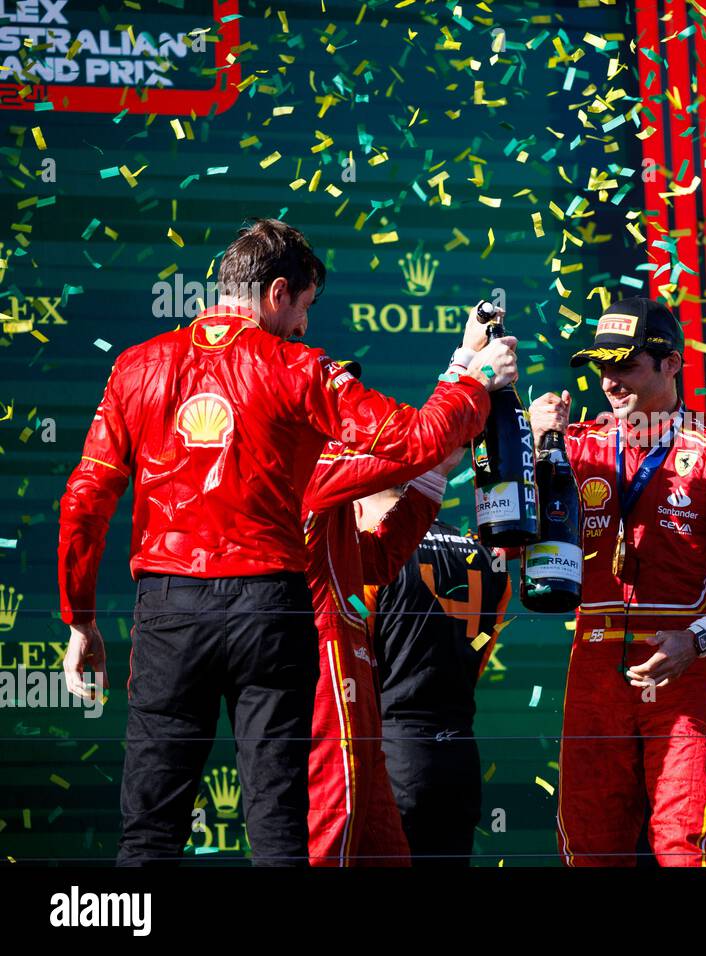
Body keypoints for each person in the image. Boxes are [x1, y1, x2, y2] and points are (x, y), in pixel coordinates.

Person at [57, 219, 517, 865]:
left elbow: (85, 499)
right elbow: (412, 443)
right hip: (270, 606)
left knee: (150, 830)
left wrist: (81, 618)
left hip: (167, 608)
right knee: (279, 828)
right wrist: (471, 381)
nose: (305, 326)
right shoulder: (298, 368)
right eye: (305, 308)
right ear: (278, 293)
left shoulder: (137, 365)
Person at [528, 296, 706, 866]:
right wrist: (529, 443)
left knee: (685, 848)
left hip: (681, 663)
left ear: (671, 363)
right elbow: (505, 530)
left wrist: (700, 638)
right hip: (593, 659)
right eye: (601, 365)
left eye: (625, 365)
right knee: (588, 847)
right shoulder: (573, 445)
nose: (610, 381)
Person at [301, 334, 515, 866]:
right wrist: (469, 371)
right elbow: (485, 639)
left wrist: (471, 373)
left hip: (381, 752)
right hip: (456, 757)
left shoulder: (358, 555)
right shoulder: (480, 555)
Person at [357, 493, 512, 867]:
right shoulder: (489, 559)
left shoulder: (371, 561)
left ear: (358, 506)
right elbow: (481, 650)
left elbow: (354, 665)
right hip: (459, 758)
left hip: (391, 757)